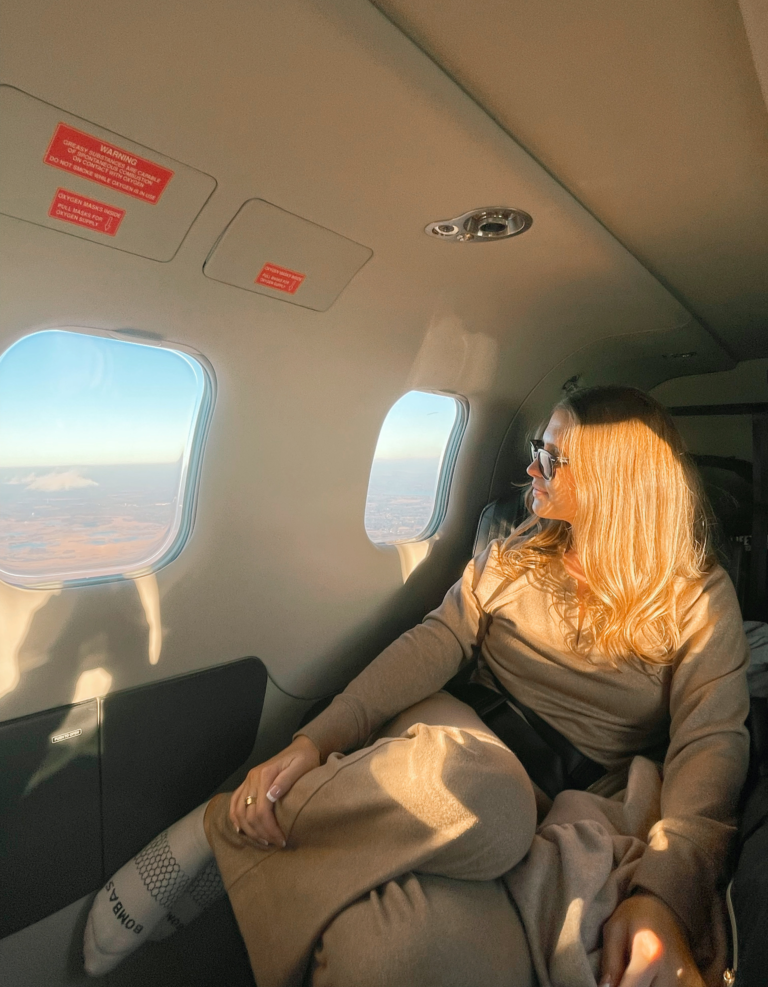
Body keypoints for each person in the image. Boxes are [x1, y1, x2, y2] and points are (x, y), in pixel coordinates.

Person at [84, 386, 750, 987]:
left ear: (614, 480)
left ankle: (253, 852)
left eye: (551, 458)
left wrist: (663, 892)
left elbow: (709, 745)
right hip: (458, 743)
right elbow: (437, 640)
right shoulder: (519, 547)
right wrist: (316, 741)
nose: (530, 471)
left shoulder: (697, 597)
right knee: (491, 797)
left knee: (389, 958)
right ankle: (219, 825)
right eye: (534, 451)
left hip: (575, 800)